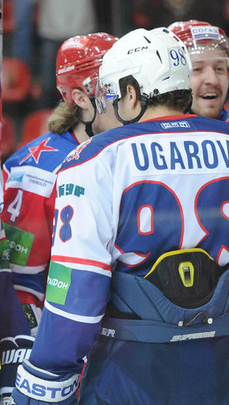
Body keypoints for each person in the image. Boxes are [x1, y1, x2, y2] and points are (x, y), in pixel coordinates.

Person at [11, 26, 229, 405]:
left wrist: (47, 372)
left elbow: (77, 288)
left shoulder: (94, 157)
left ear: (131, 92)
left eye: (112, 93)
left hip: (136, 366)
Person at [0, 32, 118, 402]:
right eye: (114, 87)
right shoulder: (35, 171)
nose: (130, 96)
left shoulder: (132, 150)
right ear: (81, 98)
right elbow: (21, 285)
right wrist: (41, 361)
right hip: (69, 350)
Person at [28, 0, 110, 108]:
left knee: (86, 86)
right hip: (51, 33)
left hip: (81, 34)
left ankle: (88, 117)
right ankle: (46, 118)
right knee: (48, 87)